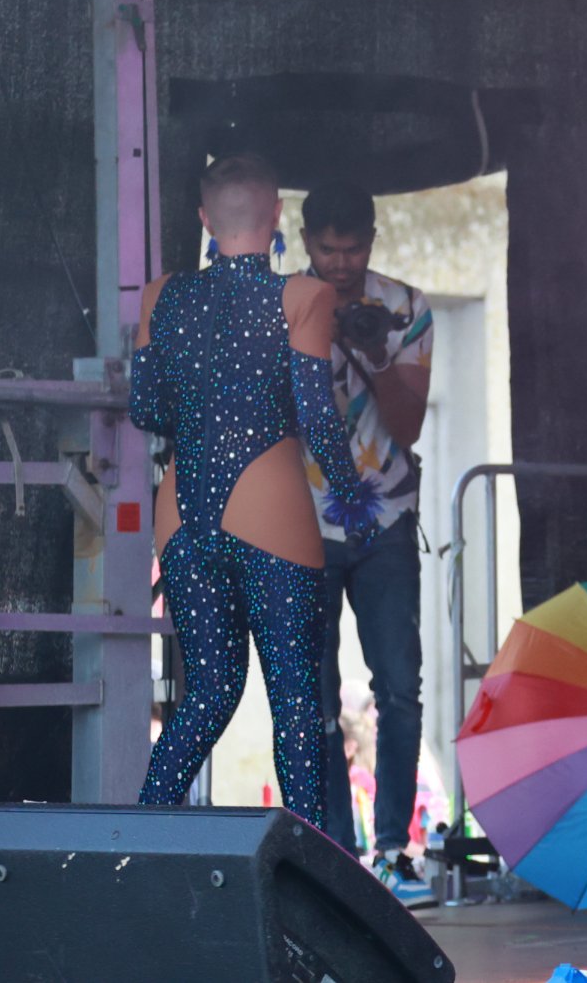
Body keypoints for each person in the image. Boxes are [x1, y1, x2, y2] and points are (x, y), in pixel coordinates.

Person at [131, 154, 380, 826]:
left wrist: (203, 408)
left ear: (204, 218)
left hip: (182, 513)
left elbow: (145, 409)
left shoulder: (160, 296)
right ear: (276, 215)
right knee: (296, 703)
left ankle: (137, 842)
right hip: (270, 508)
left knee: (208, 694)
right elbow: (318, 418)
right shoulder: (304, 297)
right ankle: (308, 869)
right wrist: (354, 502)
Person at [297, 180, 436, 907]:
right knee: (314, 693)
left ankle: (393, 852)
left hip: (385, 520)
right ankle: (334, 852)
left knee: (399, 689)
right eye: (328, 249)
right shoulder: (284, 306)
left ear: (372, 242)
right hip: (302, 520)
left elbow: (408, 425)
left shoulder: (405, 308)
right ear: (306, 240)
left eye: (353, 249)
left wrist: (373, 350)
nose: (341, 263)